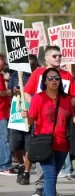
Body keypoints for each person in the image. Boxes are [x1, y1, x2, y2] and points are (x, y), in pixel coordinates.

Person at [21, 68, 75, 196]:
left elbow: (70, 118)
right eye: (50, 78)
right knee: (50, 175)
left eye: (57, 78)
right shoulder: (38, 98)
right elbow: (30, 122)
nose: (54, 81)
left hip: (63, 143)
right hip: (44, 143)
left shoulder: (66, 99)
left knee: (52, 174)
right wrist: (25, 116)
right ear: (45, 81)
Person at [24, 45, 75, 196]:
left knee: (57, 155)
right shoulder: (38, 73)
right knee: (44, 151)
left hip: (61, 121)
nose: (58, 58)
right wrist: (37, 106)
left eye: (60, 55)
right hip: (42, 120)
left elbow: (73, 98)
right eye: (54, 56)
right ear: (46, 58)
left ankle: (49, 189)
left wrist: (67, 103)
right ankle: (40, 187)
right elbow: (28, 92)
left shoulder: (67, 75)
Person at [7, 54, 39, 182]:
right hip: (17, 113)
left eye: (32, 66)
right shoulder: (16, 75)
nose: (29, 69)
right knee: (14, 145)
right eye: (28, 66)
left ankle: (26, 172)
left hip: (31, 113)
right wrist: (15, 90)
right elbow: (9, 91)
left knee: (29, 146)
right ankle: (21, 164)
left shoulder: (38, 77)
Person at [0, 53, 13, 176]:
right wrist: (9, 92)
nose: (3, 63)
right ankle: (5, 165)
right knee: (4, 139)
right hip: (1, 112)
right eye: (2, 61)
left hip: (3, 111)